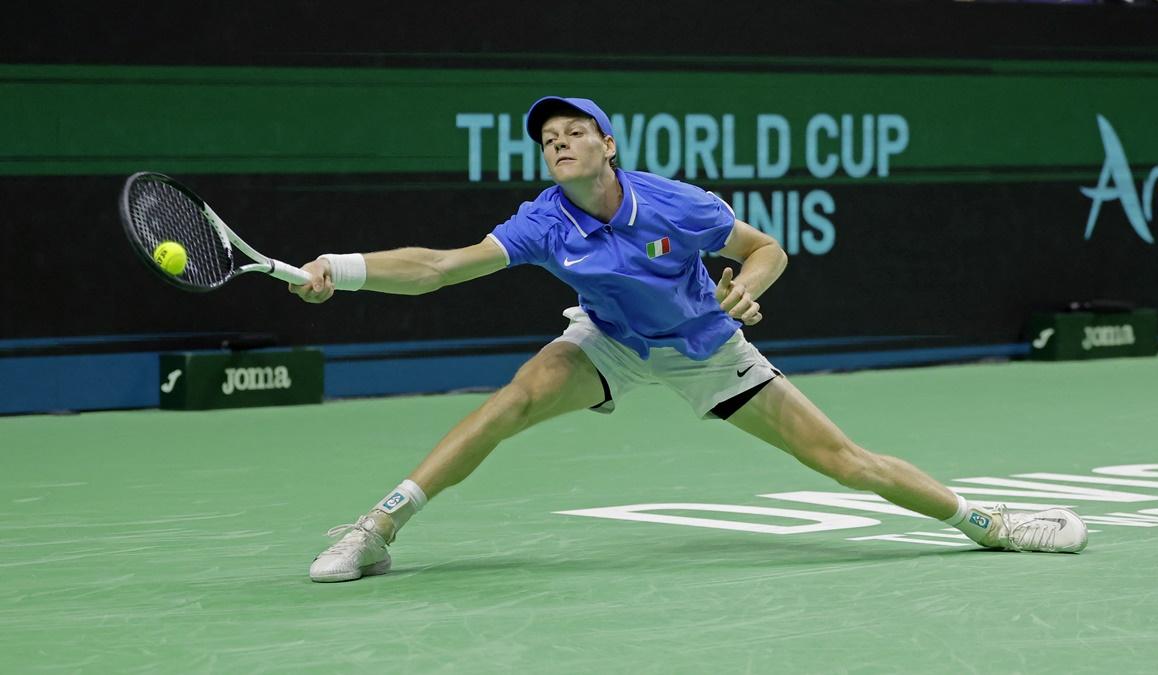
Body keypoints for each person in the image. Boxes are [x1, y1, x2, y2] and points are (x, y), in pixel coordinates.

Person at [291, 96, 1088, 583]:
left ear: (609, 145)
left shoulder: (680, 205)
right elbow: (438, 267)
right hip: (608, 339)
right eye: (548, 139)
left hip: (707, 347)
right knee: (515, 398)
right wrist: (344, 267)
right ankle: (378, 528)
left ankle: (988, 522)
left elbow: (768, 246)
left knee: (845, 461)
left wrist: (747, 286)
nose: (559, 144)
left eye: (575, 132)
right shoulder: (543, 218)